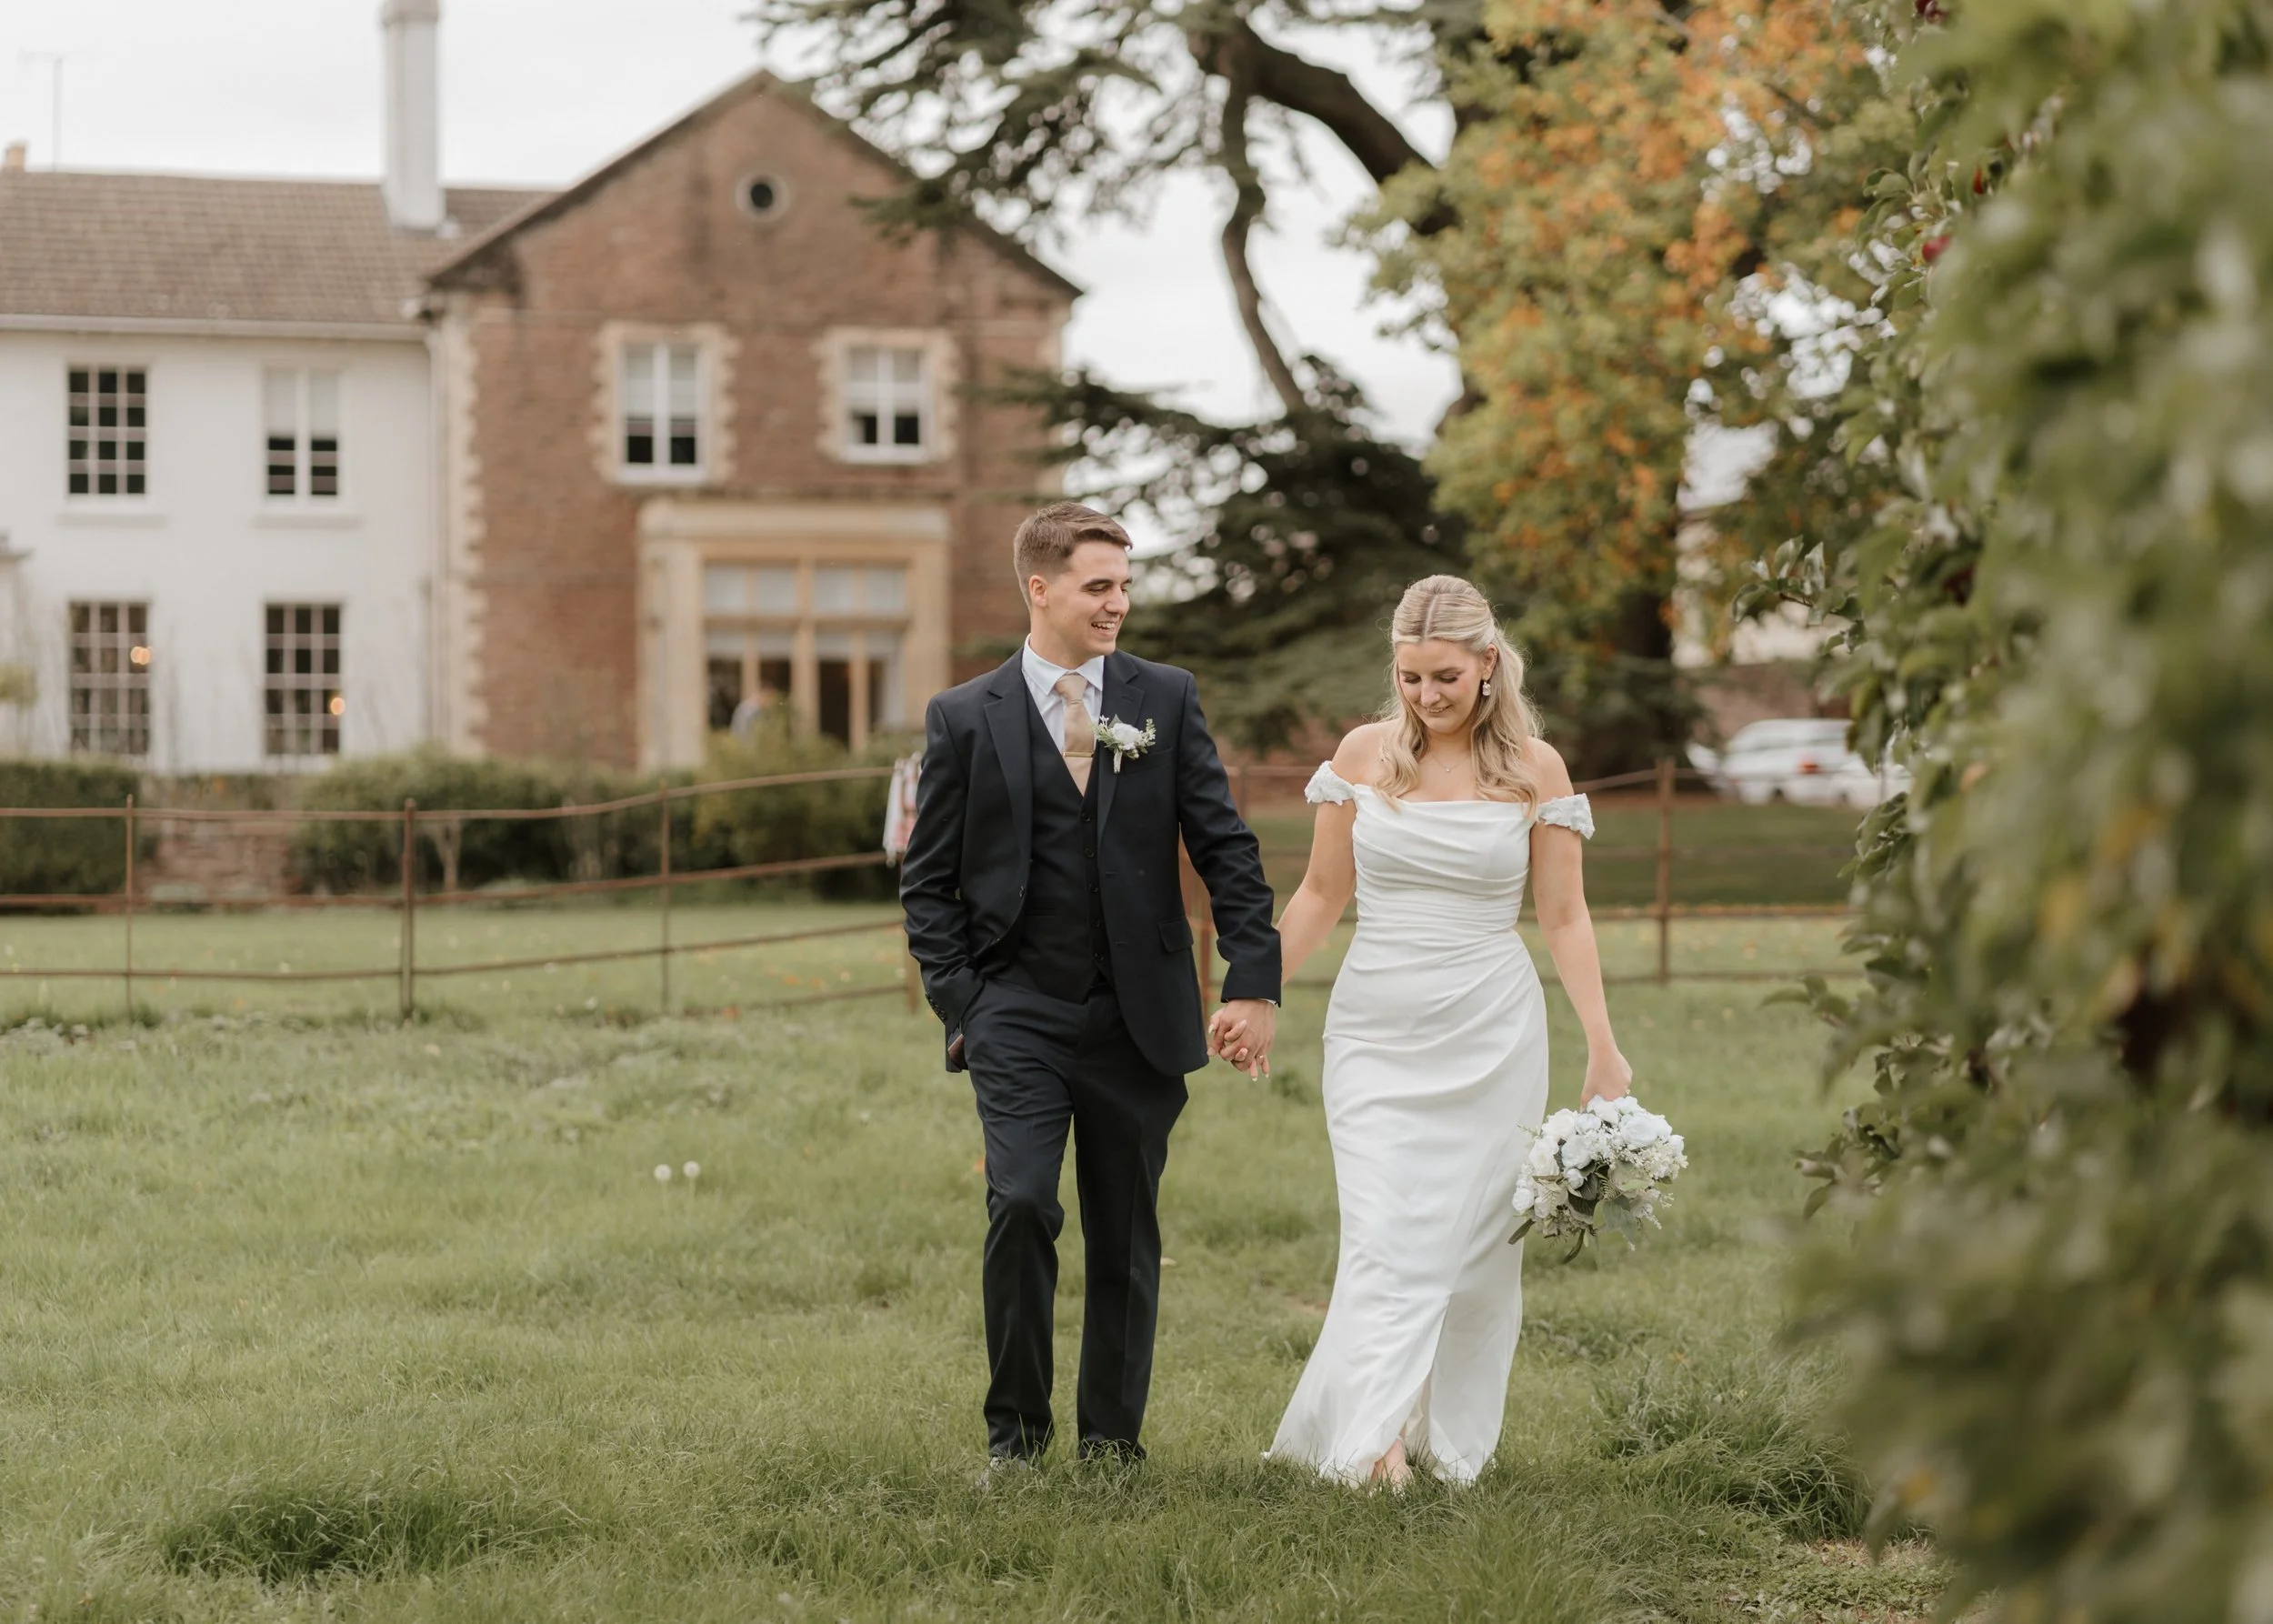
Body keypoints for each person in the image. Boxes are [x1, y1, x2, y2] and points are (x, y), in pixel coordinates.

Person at [1217, 574, 1632, 1489]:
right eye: (1408, 679)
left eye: (1444, 678)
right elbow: (1323, 893)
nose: (1425, 697)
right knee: (1383, 1233)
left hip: (1491, 1031)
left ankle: (1436, 1439)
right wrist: (1257, 993)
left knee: (1470, 1253)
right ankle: (1372, 1443)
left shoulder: (1536, 768)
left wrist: (1602, 1044)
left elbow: (1563, 916)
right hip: (1375, 1031)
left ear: (1488, 665)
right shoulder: (1363, 755)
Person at [898, 501, 1282, 1478]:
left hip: (1135, 1015)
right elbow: (927, 879)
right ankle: (1014, 1443)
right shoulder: (961, 718)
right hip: (1014, 1008)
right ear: (1040, 587)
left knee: (1125, 1231)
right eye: (1098, 586)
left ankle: (1111, 1445)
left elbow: (1225, 848)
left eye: (1124, 586)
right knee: (1022, 1203)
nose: (1119, 604)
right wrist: (964, 1004)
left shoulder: (1166, 695)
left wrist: (1254, 981)